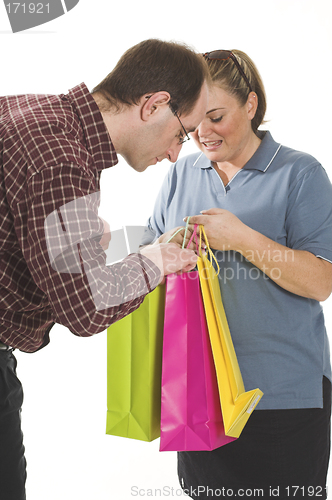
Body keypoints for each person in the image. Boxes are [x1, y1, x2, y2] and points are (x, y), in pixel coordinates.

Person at [0, 38, 210, 500]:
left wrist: (79, 248)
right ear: (154, 104)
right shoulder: (61, 159)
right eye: (182, 133)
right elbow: (88, 307)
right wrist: (154, 260)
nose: (177, 154)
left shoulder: (26, 110)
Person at [143, 50, 332, 499]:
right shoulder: (181, 174)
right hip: (200, 394)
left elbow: (321, 280)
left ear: (250, 105)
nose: (203, 134)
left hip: (282, 397)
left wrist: (242, 238)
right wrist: (150, 248)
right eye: (193, 123)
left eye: (217, 116)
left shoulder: (300, 173)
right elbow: (147, 257)